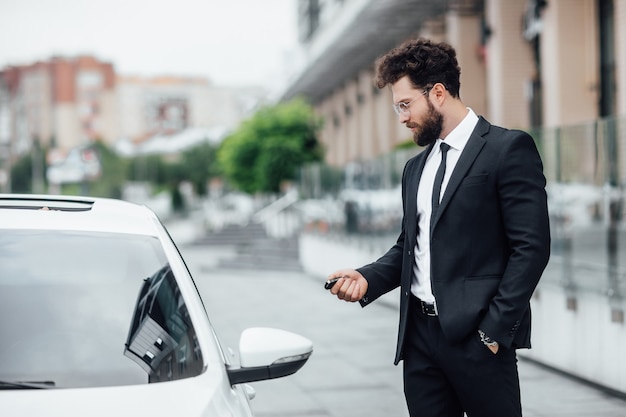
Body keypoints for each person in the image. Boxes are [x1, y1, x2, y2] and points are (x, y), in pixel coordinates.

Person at [326, 38, 551, 417]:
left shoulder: (507, 149)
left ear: (439, 93)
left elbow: (531, 248)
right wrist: (367, 278)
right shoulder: (415, 168)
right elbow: (409, 246)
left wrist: (492, 333)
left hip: (478, 340)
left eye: (405, 104)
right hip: (420, 342)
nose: (401, 117)